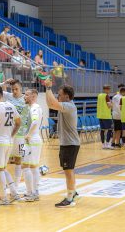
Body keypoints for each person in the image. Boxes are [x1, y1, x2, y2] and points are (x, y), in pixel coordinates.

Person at [44, 79, 81, 207]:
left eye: (59, 94)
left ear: (67, 95)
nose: (58, 96)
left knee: (68, 171)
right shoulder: (65, 105)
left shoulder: (69, 106)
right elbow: (50, 104)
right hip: (68, 143)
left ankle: (70, 198)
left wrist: (48, 88)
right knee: (69, 170)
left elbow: (52, 103)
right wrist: (47, 89)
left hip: (70, 144)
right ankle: (73, 191)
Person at [0, 86, 21, 204]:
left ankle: (3, 198)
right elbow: (19, 123)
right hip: (9, 141)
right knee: (2, 168)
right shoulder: (11, 105)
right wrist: (11, 135)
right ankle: (14, 192)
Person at [20, 89, 43, 202]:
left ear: (33, 96)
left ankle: (31, 193)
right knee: (33, 167)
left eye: (27, 95)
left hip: (32, 140)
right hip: (35, 140)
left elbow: (34, 122)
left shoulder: (34, 108)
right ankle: (34, 192)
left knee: (25, 166)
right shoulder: (35, 107)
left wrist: (28, 135)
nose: (24, 96)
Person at [96, 85, 113, 149]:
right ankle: (108, 144)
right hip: (106, 115)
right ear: (106, 89)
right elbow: (109, 105)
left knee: (102, 130)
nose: (109, 91)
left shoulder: (99, 95)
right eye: (109, 89)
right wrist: (112, 104)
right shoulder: (106, 96)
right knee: (110, 129)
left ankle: (103, 144)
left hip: (100, 115)